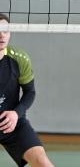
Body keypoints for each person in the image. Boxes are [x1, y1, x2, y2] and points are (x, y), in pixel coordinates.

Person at [0, 13, 54, 167]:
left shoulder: (19, 58)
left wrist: (16, 113)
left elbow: (30, 92)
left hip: (12, 123)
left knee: (43, 163)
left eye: (5, 30)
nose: (1, 35)